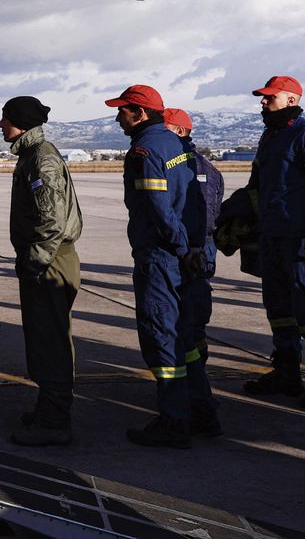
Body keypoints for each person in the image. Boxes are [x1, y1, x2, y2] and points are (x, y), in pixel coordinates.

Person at [243, 75, 305, 410]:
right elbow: (257, 185)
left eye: (269, 97)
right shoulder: (270, 135)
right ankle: (286, 372)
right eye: (262, 97)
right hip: (272, 235)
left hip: (301, 238)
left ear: (290, 100)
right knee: (278, 308)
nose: (263, 101)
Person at [105, 85, 198, 448]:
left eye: (123, 111)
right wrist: (191, 247)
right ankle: (198, 408)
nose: (117, 117)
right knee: (185, 335)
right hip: (183, 252)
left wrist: (177, 245)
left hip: (160, 255)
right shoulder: (176, 145)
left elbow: (159, 209)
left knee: (161, 334)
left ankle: (174, 421)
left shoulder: (144, 151)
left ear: (139, 114)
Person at [0, 96, 82, 446]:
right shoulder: (32, 155)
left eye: (4, 119)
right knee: (43, 338)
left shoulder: (42, 160)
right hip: (44, 258)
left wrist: (34, 264)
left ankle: (54, 420)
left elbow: (51, 221)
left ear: (20, 122)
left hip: (49, 261)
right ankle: (49, 408)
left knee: (50, 341)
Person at [163, 108, 224, 437]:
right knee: (194, 324)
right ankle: (197, 389)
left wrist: (190, 251)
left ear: (181, 132)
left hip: (190, 253)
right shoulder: (209, 169)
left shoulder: (184, 167)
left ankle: (198, 399)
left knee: (186, 325)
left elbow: (197, 218)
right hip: (201, 251)